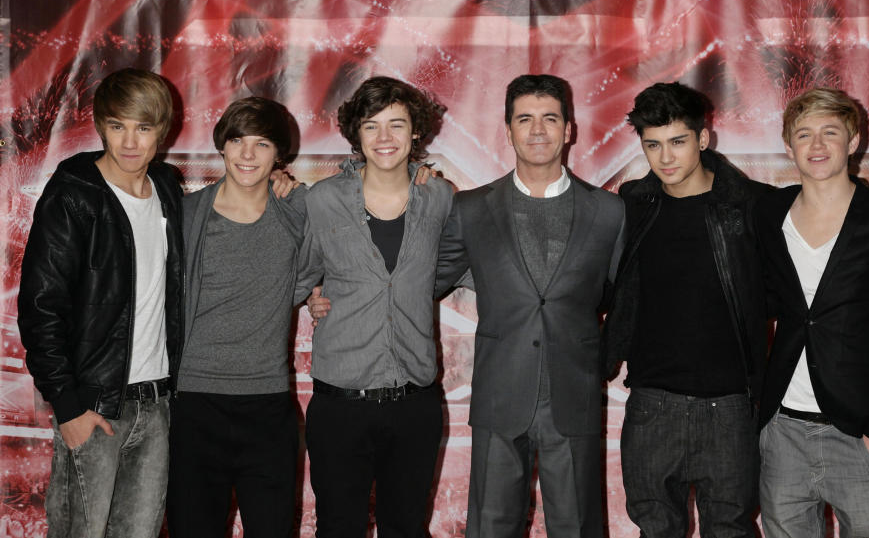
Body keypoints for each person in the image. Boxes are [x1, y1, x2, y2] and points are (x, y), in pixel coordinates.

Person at [434, 74, 624, 538]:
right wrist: (330, 289)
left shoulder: (609, 212)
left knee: (578, 526)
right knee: (491, 526)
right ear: (508, 129)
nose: (537, 130)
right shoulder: (471, 209)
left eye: (549, 118)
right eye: (525, 119)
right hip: (500, 393)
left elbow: (622, 296)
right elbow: (423, 281)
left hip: (574, 395)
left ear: (569, 129)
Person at [18, 68, 183, 538]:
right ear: (101, 125)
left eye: (143, 127)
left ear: (161, 131)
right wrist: (68, 407)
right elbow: (41, 305)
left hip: (156, 406)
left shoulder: (168, 188)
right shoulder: (74, 194)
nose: (130, 141)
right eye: (117, 125)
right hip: (92, 407)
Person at [756, 87, 869, 537]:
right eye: (804, 134)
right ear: (788, 145)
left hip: (860, 432)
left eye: (829, 132)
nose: (816, 146)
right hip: (783, 430)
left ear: (853, 142)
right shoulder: (769, 211)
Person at [601, 82, 771, 537]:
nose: (666, 157)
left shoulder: (752, 205)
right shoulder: (632, 205)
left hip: (731, 405)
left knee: (731, 529)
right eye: (652, 145)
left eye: (678, 142)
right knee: (656, 530)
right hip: (653, 404)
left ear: (703, 138)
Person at [296, 76, 451, 538]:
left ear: (415, 132)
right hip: (340, 406)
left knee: (405, 529)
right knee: (337, 529)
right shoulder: (322, 200)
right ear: (356, 135)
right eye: (372, 125)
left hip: (414, 405)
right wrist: (312, 295)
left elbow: (453, 269)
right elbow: (300, 274)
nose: (385, 138)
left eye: (397, 125)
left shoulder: (439, 197)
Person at [166, 97, 306, 538]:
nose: (247, 154)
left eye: (262, 144)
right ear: (222, 147)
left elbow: (340, 247)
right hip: (193, 403)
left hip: (266, 405)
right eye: (238, 141)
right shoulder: (185, 215)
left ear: (279, 155)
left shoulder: (298, 212)